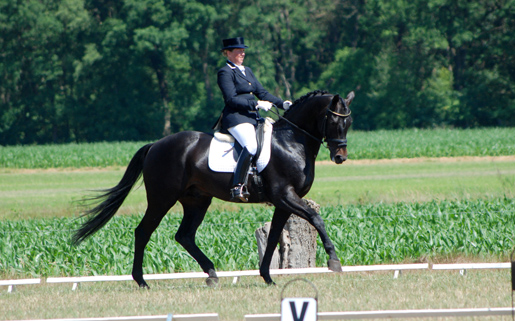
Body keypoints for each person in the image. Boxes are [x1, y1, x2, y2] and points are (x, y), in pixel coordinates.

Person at [216, 37, 292, 202]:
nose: (242, 53)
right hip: (236, 118)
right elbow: (231, 99)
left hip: (252, 118)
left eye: (243, 50)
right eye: (238, 50)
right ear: (227, 53)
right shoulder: (225, 72)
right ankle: (238, 185)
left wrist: (282, 104)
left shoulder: (247, 70)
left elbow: (263, 93)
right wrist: (256, 104)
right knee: (250, 145)